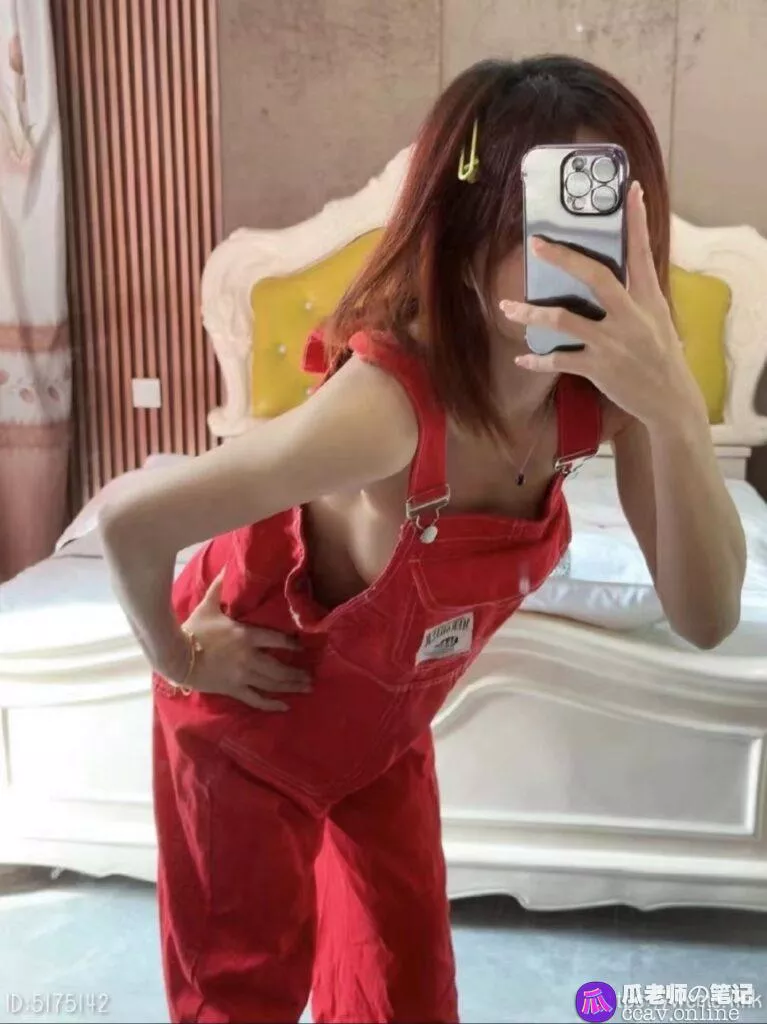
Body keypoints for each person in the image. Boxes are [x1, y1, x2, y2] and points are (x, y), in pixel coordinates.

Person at [101, 55, 746, 1024]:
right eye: (550, 226)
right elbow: (130, 520)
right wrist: (180, 658)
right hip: (246, 732)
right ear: (465, 232)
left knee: (403, 988)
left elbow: (706, 616)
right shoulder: (384, 411)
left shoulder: (602, 400)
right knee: (240, 994)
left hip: (381, 735)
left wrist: (673, 405)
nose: (587, 266)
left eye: (610, 222)